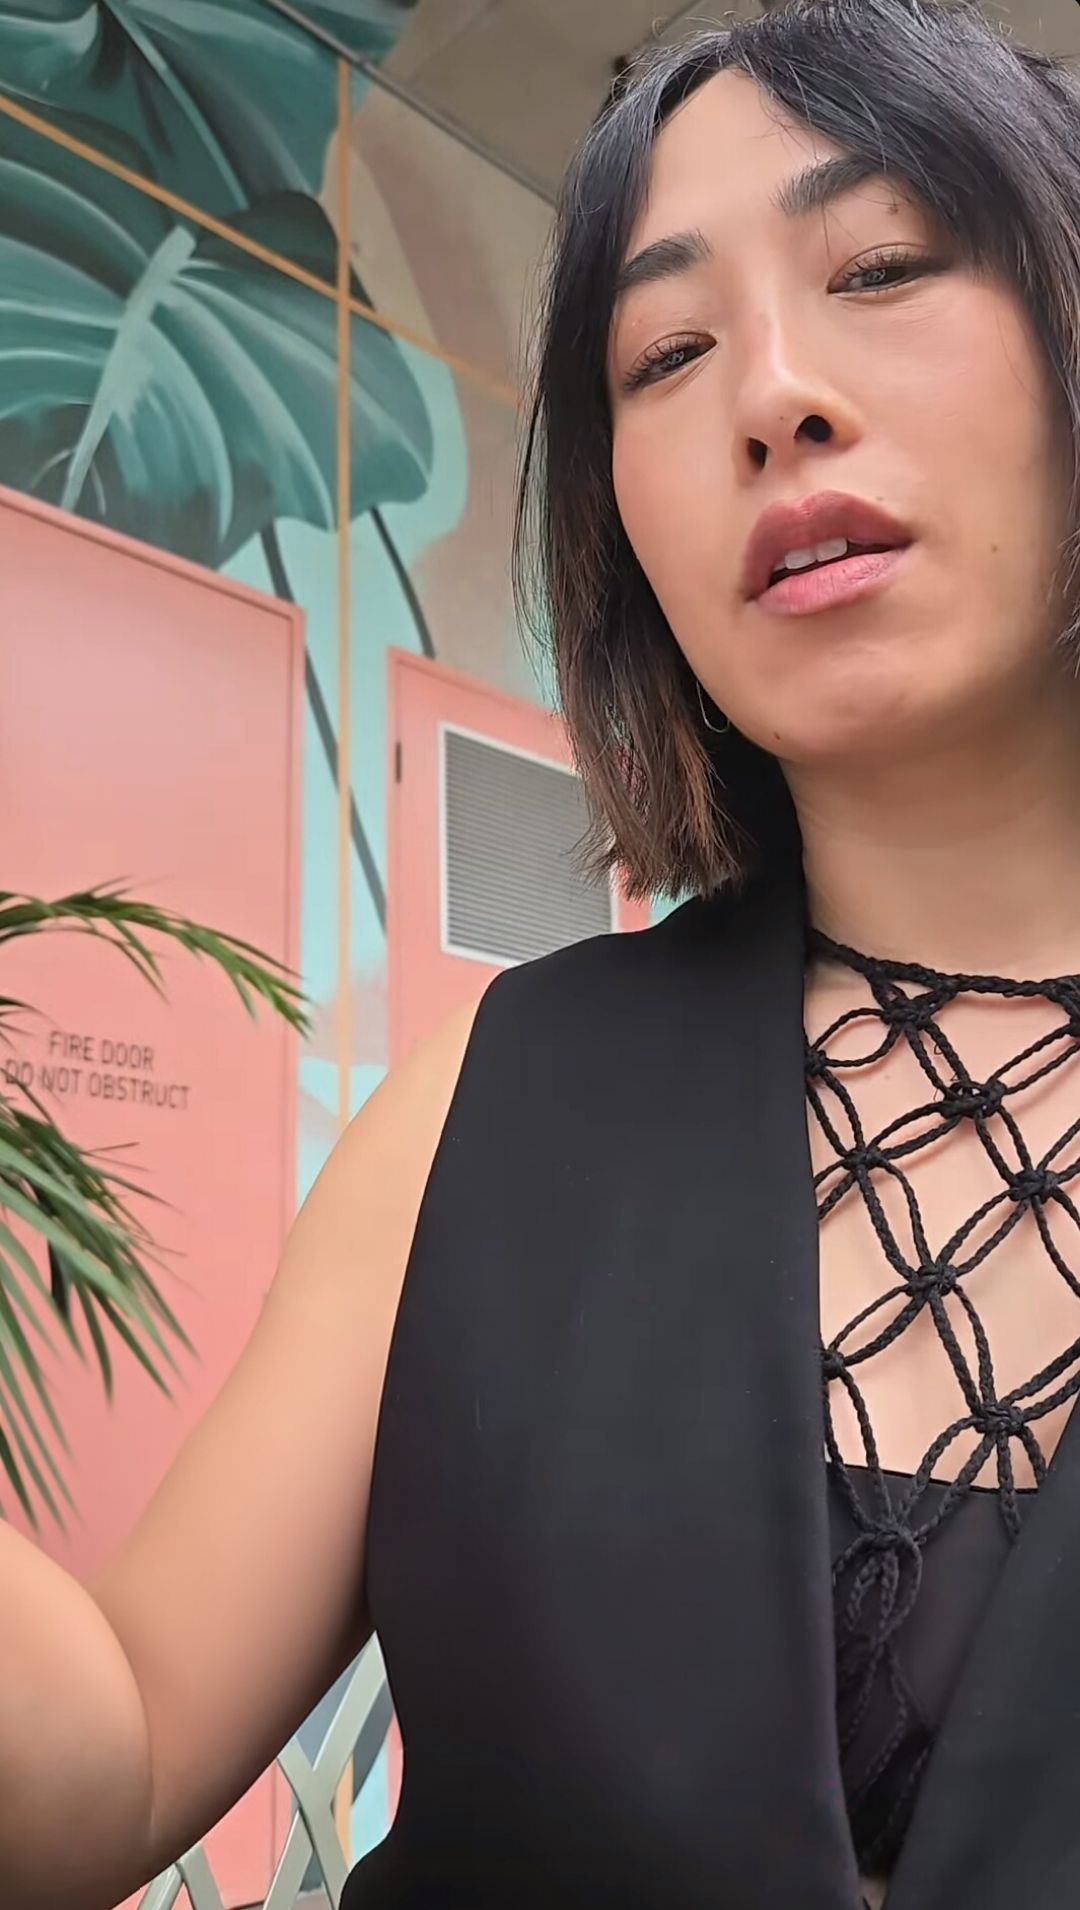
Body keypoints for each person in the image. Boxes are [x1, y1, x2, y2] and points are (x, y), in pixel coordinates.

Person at [6, 0, 1080, 1903]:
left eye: (881, 265)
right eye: (665, 353)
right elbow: (111, 1768)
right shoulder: (487, 1100)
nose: (773, 393)